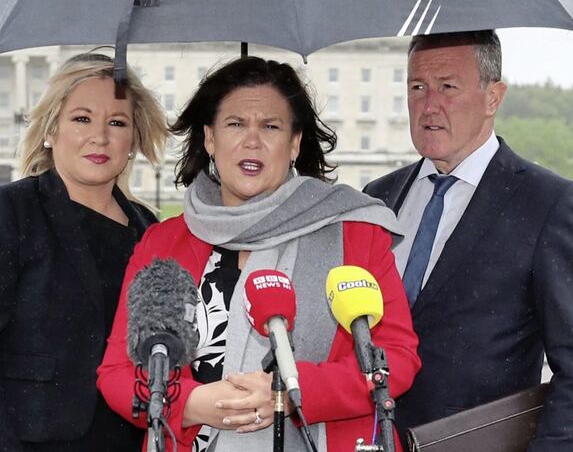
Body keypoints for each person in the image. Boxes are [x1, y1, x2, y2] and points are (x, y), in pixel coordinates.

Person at [97, 56, 420, 452]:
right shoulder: (164, 243)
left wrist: (291, 391)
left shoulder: (355, 232)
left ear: (295, 143)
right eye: (235, 124)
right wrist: (189, 404)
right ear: (210, 139)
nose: (252, 140)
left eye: (270, 126)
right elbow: (117, 372)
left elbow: (396, 360)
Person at [363, 30, 573, 451]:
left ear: (494, 97)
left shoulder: (547, 204)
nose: (429, 103)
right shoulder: (377, 197)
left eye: (448, 87)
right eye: (417, 87)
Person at [0, 52, 167, 451]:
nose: (99, 136)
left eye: (116, 122)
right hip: (29, 439)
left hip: (126, 438)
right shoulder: (8, 210)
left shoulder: (148, 228)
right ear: (51, 130)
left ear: (132, 139)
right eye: (82, 118)